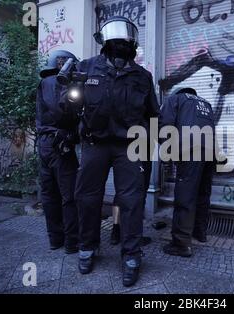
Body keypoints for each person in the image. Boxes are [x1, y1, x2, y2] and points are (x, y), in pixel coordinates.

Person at [61, 16, 160, 287]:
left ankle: (130, 255)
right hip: (95, 143)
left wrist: (147, 144)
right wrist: (69, 92)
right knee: (87, 197)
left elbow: (153, 114)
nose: (120, 45)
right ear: (105, 42)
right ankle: (87, 247)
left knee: (131, 201)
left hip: (129, 146)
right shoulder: (86, 67)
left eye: (124, 41)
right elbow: (67, 106)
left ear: (132, 44)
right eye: (115, 40)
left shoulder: (143, 76)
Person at [159, 87, 216, 257]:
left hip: (191, 149)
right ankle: (200, 233)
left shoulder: (175, 99)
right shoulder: (205, 103)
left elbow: (165, 125)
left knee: (185, 195)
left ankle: (181, 244)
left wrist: (166, 154)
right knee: (202, 194)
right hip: (210, 151)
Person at [36, 50, 80, 254]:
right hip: (59, 143)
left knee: (49, 194)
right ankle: (72, 242)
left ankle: (55, 239)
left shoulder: (43, 82)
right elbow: (60, 111)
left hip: (45, 144)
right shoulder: (56, 82)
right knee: (68, 195)